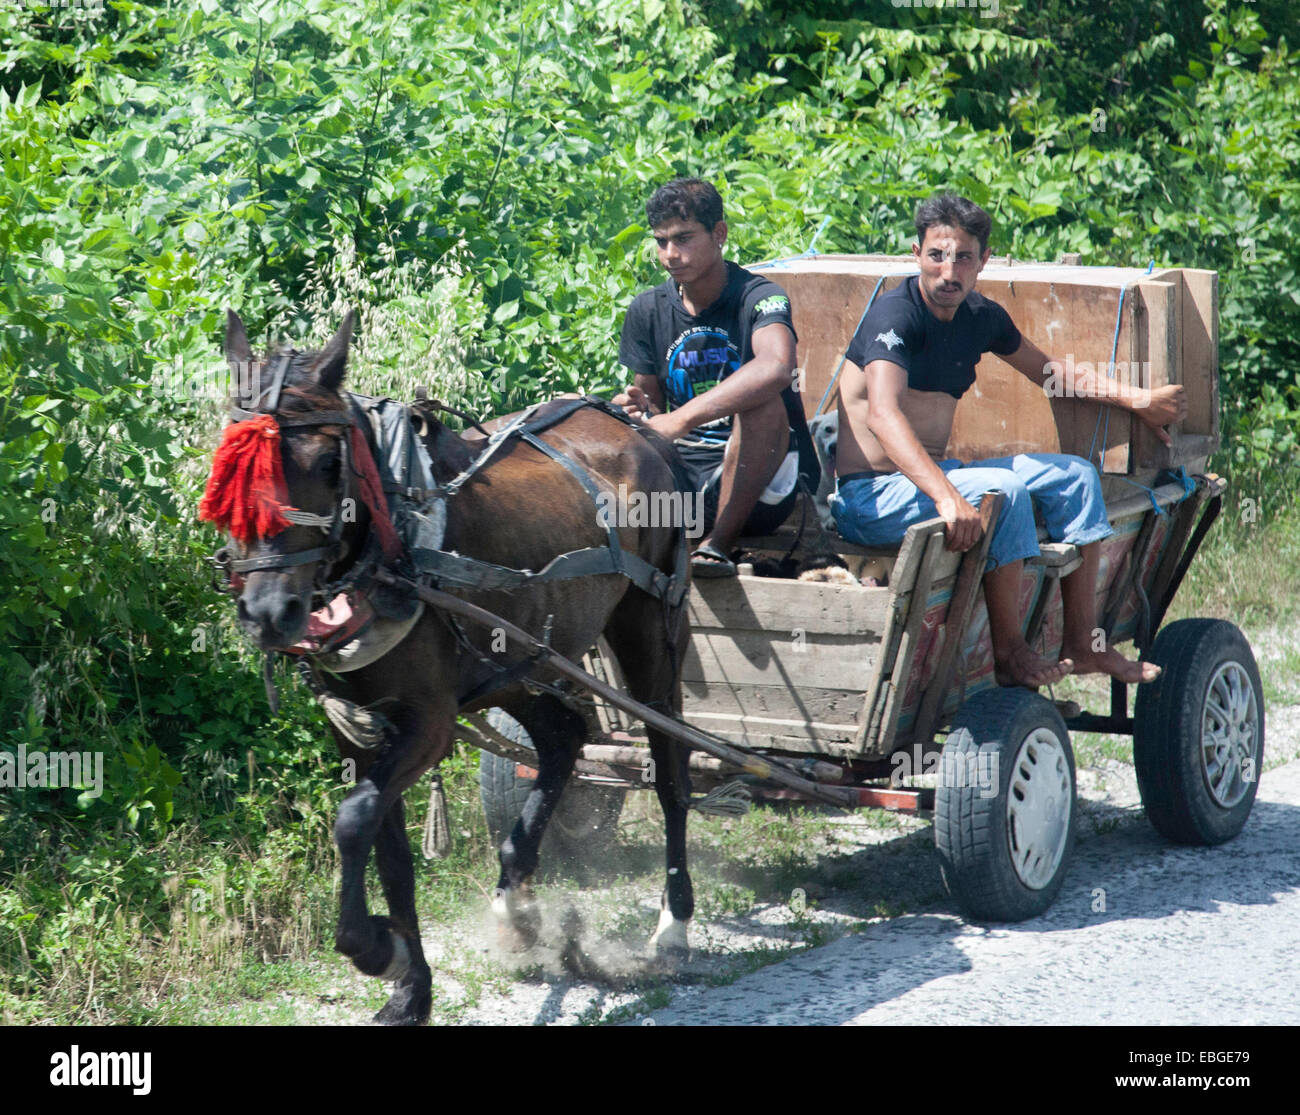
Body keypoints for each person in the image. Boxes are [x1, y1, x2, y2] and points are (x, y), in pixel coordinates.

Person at [831, 193, 1188, 687]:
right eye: (937, 255)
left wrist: (1137, 400)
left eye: (963, 258)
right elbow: (883, 414)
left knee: (1076, 476)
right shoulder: (895, 317)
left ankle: (1082, 644)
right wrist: (947, 497)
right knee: (1004, 490)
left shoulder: (981, 317)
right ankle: (1010, 654)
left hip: (930, 480)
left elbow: (1052, 375)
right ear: (916, 254)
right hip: (869, 496)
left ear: (984, 262)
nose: (948, 271)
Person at [614, 177, 819, 576]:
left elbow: (778, 367)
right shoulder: (646, 309)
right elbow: (653, 406)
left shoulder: (760, 296)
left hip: (761, 489)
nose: (671, 254)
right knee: (574, 409)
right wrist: (641, 410)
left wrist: (682, 417)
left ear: (719, 234)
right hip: (682, 482)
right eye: (661, 241)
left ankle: (716, 547)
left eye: (684, 238)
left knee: (762, 405)